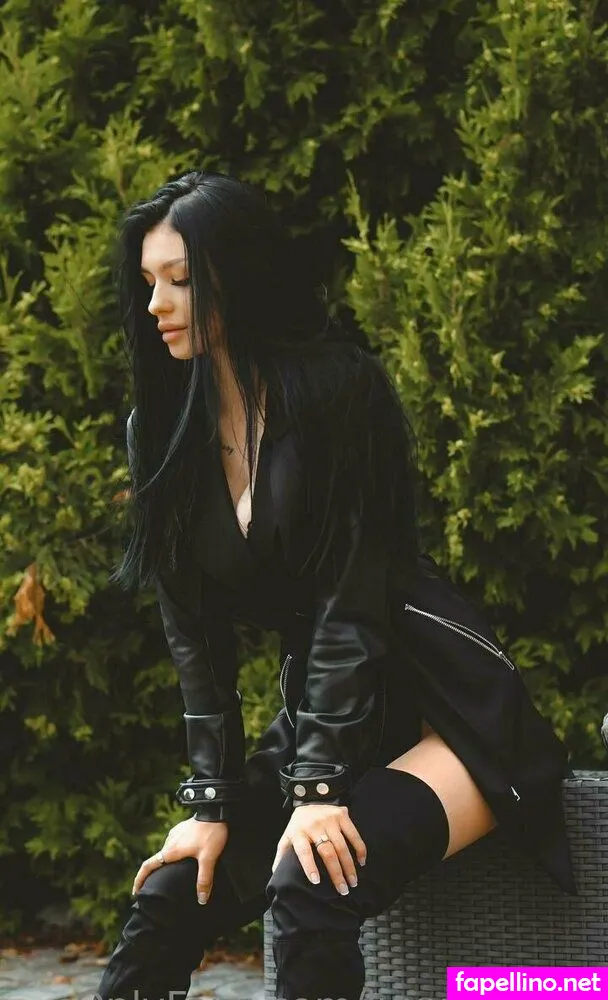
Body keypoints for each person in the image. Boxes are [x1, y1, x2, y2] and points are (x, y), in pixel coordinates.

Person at [97, 171, 576, 1000]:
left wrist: (316, 791)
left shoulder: (337, 391)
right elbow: (194, 634)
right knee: (171, 893)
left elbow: (351, 603)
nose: (156, 305)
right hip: (337, 713)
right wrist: (211, 805)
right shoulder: (163, 429)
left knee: (312, 883)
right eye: (148, 282)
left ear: (235, 277)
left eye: (180, 280)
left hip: (449, 711)